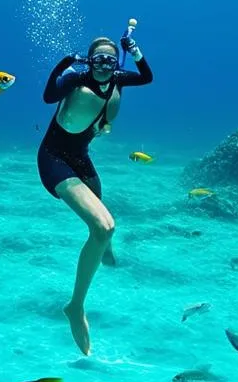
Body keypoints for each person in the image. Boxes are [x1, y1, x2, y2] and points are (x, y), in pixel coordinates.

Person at [37, 30, 154, 355]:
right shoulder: (76, 81)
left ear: (116, 62)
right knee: (103, 226)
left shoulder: (119, 79)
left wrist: (136, 49)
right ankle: (75, 306)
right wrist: (64, 63)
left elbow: (147, 76)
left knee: (102, 220)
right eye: (98, 59)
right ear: (90, 61)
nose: (104, 65)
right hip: (54, 159)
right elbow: (48, 96)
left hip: (82, 159)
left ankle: (104, 249)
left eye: (110, 59)